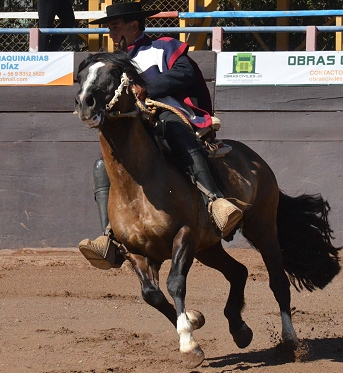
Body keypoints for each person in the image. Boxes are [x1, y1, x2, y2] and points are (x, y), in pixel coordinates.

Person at [78, 2, 243, 270]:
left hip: (166, 111)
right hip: (132, 124)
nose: (110, 32)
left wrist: (147, 87)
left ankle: (216, 202)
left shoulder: (163, 46)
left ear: (134, 26)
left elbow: (185, 73)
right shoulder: (109, 64)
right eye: (109, 27)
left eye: (115, 26)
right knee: (101, 165)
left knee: (172, 129)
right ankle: (111, 237)